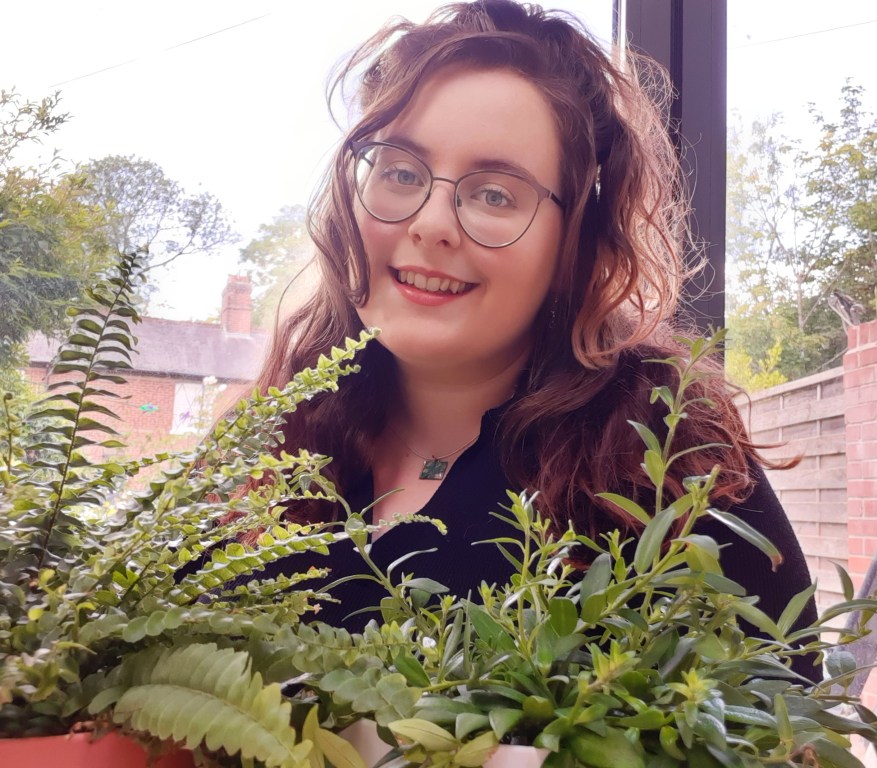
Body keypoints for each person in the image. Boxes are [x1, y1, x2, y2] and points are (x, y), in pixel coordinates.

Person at [248, 0, 818, 677]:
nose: (432, 223)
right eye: (400, 172)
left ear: (574, 244)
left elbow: (784, 725)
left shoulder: (665, 459)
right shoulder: (271, 440)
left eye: (495, 194)